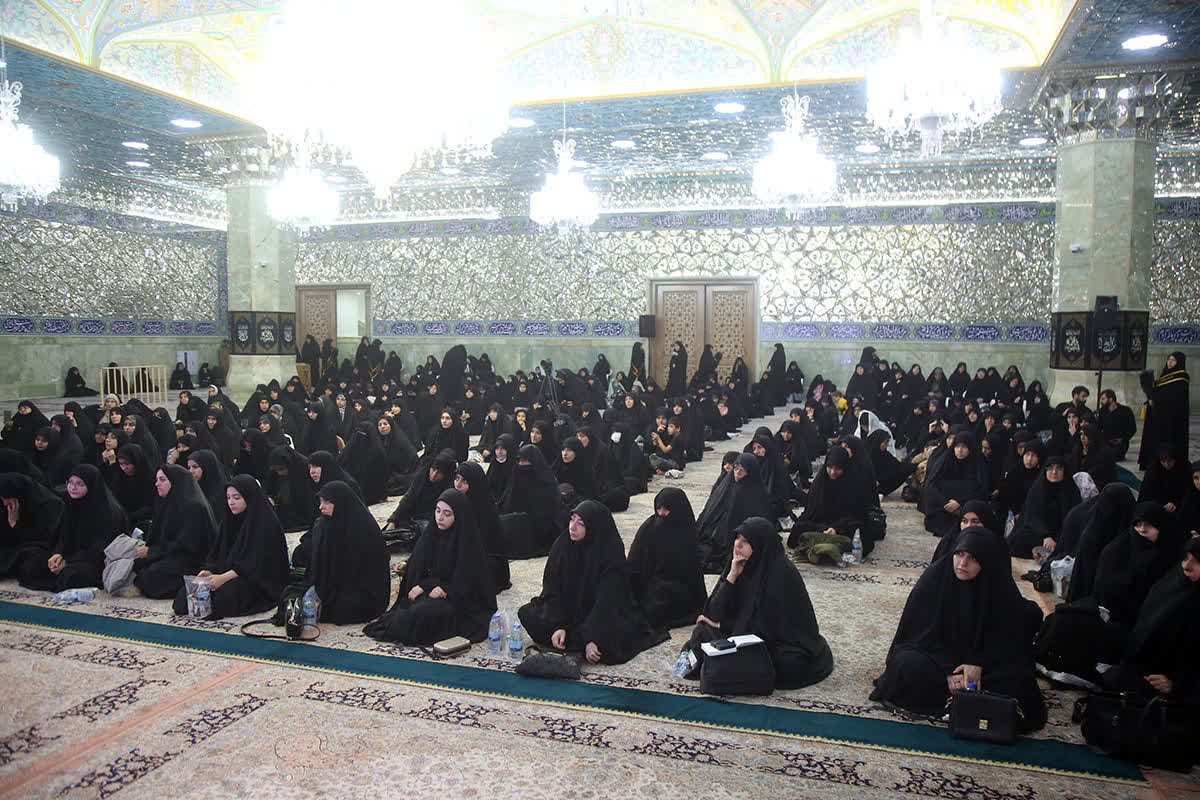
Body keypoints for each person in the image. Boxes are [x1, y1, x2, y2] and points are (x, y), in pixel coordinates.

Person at [871, 528, 1046, 731]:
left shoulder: (998, 586)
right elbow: (916, 636)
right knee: (906, 664)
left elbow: (1011, 639)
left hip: (984, 667)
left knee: (1018, 680)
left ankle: (961, 697)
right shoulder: (936, 578)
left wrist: (979, 662)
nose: (962, 564)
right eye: (959, 554)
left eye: (972, 558)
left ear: (987, 562)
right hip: (938, 662)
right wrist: (948, 671)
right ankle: (969, 699)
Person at [682, 517, 833, 690]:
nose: (738, 545)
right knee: (702, 631)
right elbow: (713, 612)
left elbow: (772, 627)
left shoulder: (782, 574)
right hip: (740, 630)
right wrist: (731, 577)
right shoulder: (736, 564)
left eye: (746, 541)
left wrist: (722, 625)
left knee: (788, 663)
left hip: (776, 641)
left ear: (761, 545)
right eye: (737, 538)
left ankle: (720, 665)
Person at [518, 500, 665, 665]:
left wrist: (592, 638)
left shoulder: (610, 552)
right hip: (568, 611)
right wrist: (559, 625)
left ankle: (580, 640)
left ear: (594, 527)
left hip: (599, 614)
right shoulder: (563, 544)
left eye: (581, 523)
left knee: (614, 642)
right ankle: (573, 638)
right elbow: (552, 590)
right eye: (572, 519)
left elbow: (607, 602)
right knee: (528, 613)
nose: (572, 527)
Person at [364, 489, 497, 645]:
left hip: (460, 601)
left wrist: (446, 589)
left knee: (422, 614)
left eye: (447, 514)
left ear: (458, 516)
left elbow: (471, 584)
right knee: (407, 611)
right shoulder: (431, 535)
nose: (440, 517)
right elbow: (419, 567)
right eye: (438, 511)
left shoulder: (468, 542)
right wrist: (423, 585)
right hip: (431, 590)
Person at [170, 475, 289, 619]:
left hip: (256, 581)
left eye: (237, 498)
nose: (231, 502)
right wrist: (209, 571)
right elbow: (217, 553)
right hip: (226, 572)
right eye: (228, 498)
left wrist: (222, 578)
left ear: (249, 497)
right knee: (184, 597)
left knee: (220, 600)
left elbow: (255, 564)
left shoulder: (265, 523)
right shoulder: (229, 520)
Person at [1100, 538, 1200, 707]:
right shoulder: (1173, 584)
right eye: (1185, 558)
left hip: (1178, 692)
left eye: (1197, 562)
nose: (1187, 566)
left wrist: (1177, 685)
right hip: (1143, 672)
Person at [21, 464, 127, 592]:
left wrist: (68, 562)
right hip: (70, 555)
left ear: (91, 485)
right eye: (70, 482)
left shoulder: (107, 511)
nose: (72, 487)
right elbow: (62, 535)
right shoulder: (69, 502)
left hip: (95, 560)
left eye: (79, 484)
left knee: (70, 576)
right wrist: (58, 554)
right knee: (32, 565)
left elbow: (100, 548)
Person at [298, 481, 389, 624]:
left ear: (340, 502)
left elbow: (367, 571)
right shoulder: (324, 523)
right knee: (297, 596)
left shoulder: (363, 527)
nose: (321, 506)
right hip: (333, 584)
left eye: (326, 502)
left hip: (359, 587)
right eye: (320, 501)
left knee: (345, 608)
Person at [132, 464, 217, 599]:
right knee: (139, 564)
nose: (157, 484)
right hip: (172, 553)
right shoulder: (168, 501)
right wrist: (152, 550)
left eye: (162, 479)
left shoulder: (194, 506)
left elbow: (187, 545)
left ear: (176, 481)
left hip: (192, 560)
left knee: (153, 575)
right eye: (157, 479)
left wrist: (153, 551)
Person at [626, 488, 707, 629]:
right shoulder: (649, 527)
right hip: (652, 583)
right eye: (659, 509)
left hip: (679, 587)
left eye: (666, 510)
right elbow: (635, 564)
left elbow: (693, 572)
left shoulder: (686, 530)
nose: (661, 514)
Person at [787, 447, 865, 548]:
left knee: (859, 533)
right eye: (830, 467)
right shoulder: (820, 482)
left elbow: (854, 514)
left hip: (842, 526)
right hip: (820, 525)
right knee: (798, 528)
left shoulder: (852, 484)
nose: (832, 472)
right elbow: (810, 513)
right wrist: (823, 528)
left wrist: (836, 528)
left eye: (838, 468)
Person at [1007, 456, 1081, 558]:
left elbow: (1073, 520)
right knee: (1020, 540)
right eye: (1050, 468)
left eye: (1059, 468)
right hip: (1039, 532)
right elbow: (1032, 516)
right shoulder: (1038, 489)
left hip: (1062, 534)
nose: (1054, 472)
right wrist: (1045, 536)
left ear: (1064, 471)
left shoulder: (1071, 491)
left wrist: (1058, 539)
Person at [499, 445, 562, 558]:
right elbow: (507, 502)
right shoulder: (516, 476)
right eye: (520, 461)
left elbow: (549, 512)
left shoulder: (547, 482)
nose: (522, 464)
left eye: (526, 461)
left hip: (540, 529)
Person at [922, 432, 989, 540]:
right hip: (944, 507)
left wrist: (959, 503)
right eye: (957, 446)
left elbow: (981, 489)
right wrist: (946, 504)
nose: (960, 450)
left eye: (964, 447)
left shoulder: (977, 462)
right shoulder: (946, 459)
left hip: (966, 507)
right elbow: (932, 485)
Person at [0, 473, 64, 583]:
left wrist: (15, 524)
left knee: (31, 563)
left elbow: (44, 540)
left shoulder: (49, 504)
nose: (5, 503)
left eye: (7, 498)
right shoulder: (7, 505)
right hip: (16, 548)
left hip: (40, 549)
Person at [1139, 352, 1189, 470]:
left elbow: (1174, 397)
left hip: (1172, 417)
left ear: (1179, 362)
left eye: (1173, 360)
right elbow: (1158, 391)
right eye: (1169, 359)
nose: (1170, 362)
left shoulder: (1182, 378)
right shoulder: (1164, 376)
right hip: (1159, 414)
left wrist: (1155, 399)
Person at [1096, 389, 1136, 461]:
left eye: (1103, 399)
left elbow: (1132, 428)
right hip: (1106, 443)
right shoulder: (1102, 411)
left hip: (1120, 444)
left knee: (1112, 457)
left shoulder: (1126, 411)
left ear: (1111, 399)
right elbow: (1099, 428)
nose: (1101, 401)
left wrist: (1123, 439)